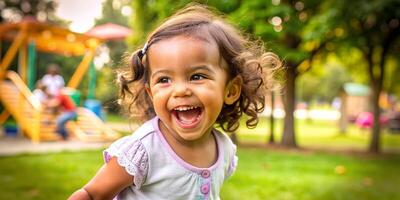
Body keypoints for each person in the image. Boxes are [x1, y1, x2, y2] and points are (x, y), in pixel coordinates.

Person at [69, 4, 281, 200]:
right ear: (151, 94)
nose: (180, 90)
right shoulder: (143, 150)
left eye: (197, 76)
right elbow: (91, 194)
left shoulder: (223, 148)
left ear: (231, 90)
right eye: (164, 80)